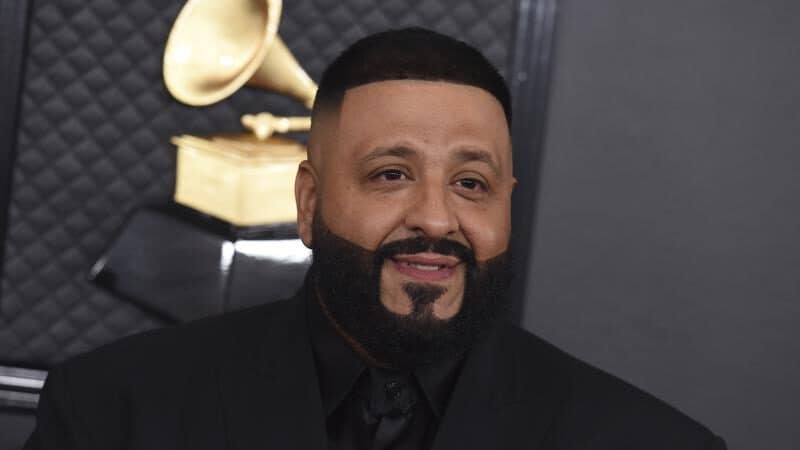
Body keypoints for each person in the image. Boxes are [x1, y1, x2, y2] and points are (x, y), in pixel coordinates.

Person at [24, 27, 726, 450]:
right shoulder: (108, 412)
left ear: (508, 207)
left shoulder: (655, 444)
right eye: (391, 174)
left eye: (472, 184)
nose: (437, 218)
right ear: (309, 202)